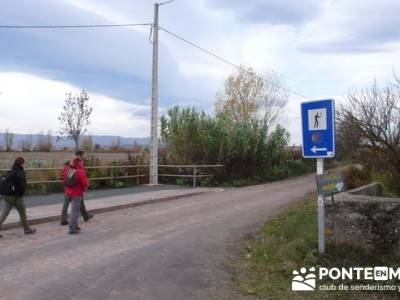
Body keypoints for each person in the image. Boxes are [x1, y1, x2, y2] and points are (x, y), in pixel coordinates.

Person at [0, 157, 36, 238]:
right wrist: (21, 194)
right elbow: (22, 186)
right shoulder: (20, 172)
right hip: (17, 198)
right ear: (21, 163)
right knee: (22, 213)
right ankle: (26, 229)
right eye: (23, 163)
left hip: (7, 197)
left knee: (4, 214)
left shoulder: (10, 171)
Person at [64, 157, 89, 234]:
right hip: (77, 193)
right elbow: (85, 183)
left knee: (74, 210)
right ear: (78, 163)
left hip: (68, 192)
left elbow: (65, 180)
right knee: (75, 211)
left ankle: (75, 225)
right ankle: (72, 228)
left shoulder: (69, 170)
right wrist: (85, 187)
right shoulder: (80, 172)